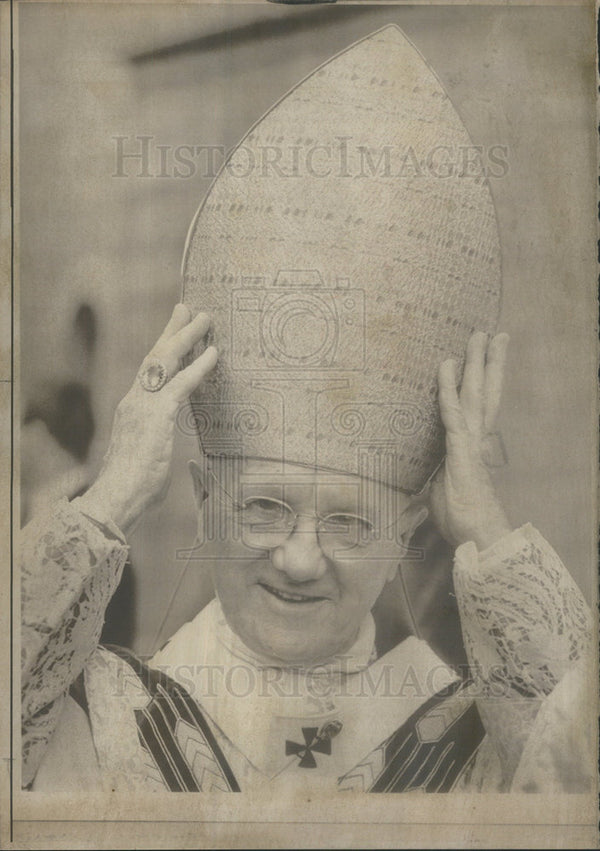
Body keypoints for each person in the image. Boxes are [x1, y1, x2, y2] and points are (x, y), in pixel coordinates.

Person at [21, 24, 593, 795]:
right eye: (262, 508)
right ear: (201, 499)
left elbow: (579, 775)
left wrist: (489, 531)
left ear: (408, 531)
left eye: (352, 523)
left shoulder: (471, 746)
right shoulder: (101, 721)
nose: (298, 557)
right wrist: (112, 495)